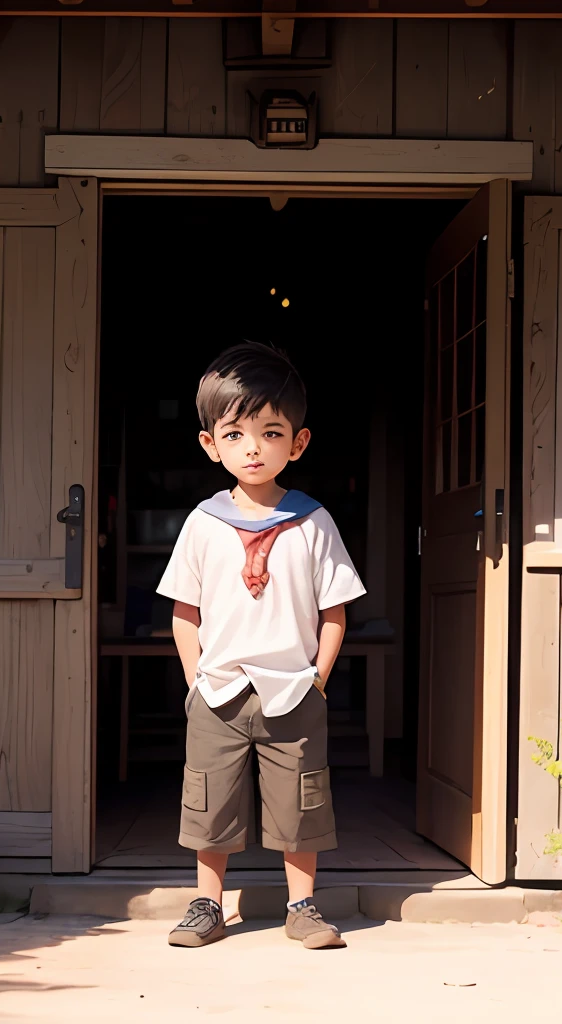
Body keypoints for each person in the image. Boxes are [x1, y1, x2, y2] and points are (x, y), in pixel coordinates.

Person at [156, 341, 365, 950]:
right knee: (209, 800)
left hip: (293, 690)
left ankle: (302, 906)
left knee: (300, 801)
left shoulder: (313, 521)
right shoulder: (203, 522)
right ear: (210, 444)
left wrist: (317, 679)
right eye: (236, 434)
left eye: (271, 432)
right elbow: (184, 612)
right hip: (218, 690)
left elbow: (335, 613)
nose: (253, 448)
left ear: (297, 443)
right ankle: (207, 906)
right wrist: (195, 681)